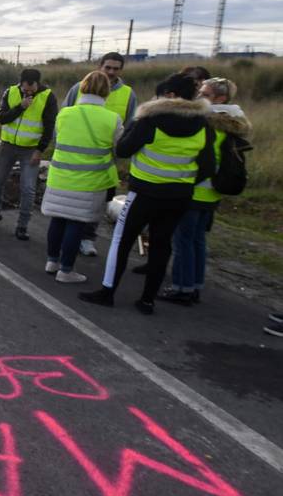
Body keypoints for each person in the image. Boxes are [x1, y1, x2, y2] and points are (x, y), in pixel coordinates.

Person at [80, 73, 215, 314]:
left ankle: (108, 292)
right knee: (161, 246)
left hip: (144, 192)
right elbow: (207, 167)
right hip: (179, 196)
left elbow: (123, 149)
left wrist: (135, 120)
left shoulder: (151, 119)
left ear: (171, 95)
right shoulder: (203, 124)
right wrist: (182, 181)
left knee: (122, 241)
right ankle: (147, 300)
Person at [159, 77, 250, 305]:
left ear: (220, 98)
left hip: (196, 189)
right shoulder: (231, 121)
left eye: (205, 94)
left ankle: (182, 288)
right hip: (212, 193)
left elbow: (200, 158)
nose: (199, 96)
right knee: (198, 240)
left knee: (183, 241)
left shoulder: (207, 122)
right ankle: (195, 284)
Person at [40, 71, 122, 283]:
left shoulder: (65, 113)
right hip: (89, 180)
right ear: (107, 91)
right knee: (76, 224)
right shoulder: (112, 119)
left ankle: (52, 261)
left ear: (82, 88)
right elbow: (119, 149)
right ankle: (66, 270)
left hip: (60, 176)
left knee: (57, 220)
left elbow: (59, 139)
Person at [64, 52, 139, 256]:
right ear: (100, 66)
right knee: (73, 199)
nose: (111, 72)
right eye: (108, 67)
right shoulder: (78, 88)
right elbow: (62, 118)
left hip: (105, 159)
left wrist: (120, 151)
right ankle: (68, 236)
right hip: (74, 156)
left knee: (97, 202)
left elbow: (131, 126)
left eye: (116, 68)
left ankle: (88, 238)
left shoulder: (128, 94)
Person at [0, 68, 58, 240]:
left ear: (37, 83)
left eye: (29, 88)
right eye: (23, 88)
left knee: (27, 188)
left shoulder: (48, 97)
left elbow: (49, 127)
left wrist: (40, 150)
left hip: (30, 150)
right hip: (7, 146)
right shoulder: (10, 92)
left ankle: (22, 226)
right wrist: (20, 107)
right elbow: (2, 118)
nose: (26, 91)